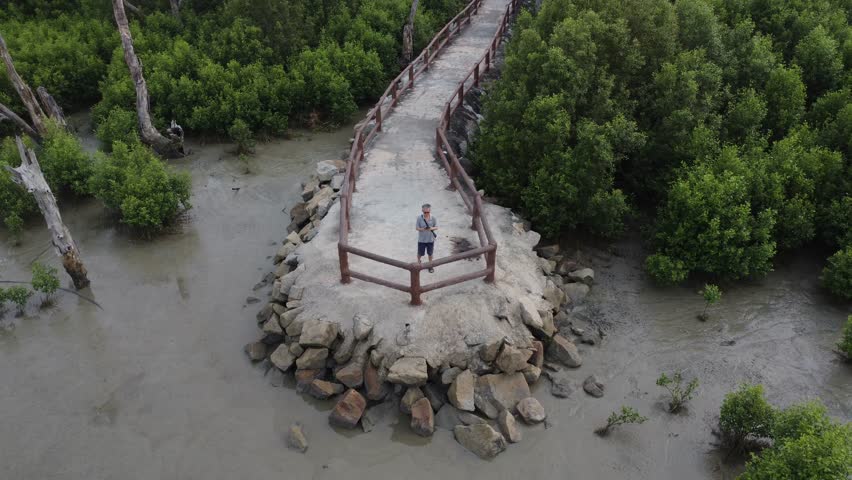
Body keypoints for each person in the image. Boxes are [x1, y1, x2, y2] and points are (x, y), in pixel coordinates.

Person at [416, 203, 438, 272]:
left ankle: (430, 265)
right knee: (420, 253)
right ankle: (419, 262)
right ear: (422, 211)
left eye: (427, 212)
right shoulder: (419, 218)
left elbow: (436, 227)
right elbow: (417, 228)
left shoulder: (433, 218)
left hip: (430, 239)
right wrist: (424, 229)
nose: (426, 213)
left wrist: (431, 228)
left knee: (430, 253)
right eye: (424, 212)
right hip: (421, 240)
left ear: (430, 211)